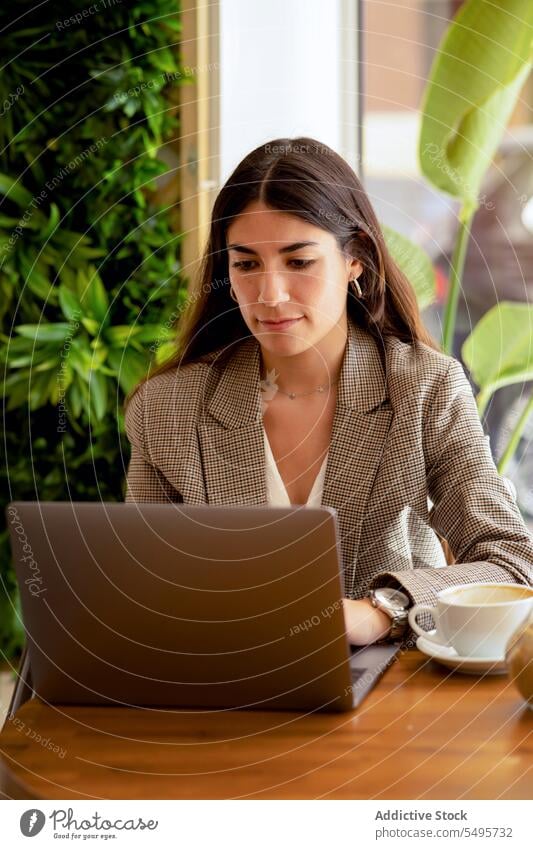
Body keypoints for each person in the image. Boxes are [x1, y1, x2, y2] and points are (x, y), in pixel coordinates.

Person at [124, 136, 533, 648]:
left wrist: (380, 610)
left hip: (393, 699)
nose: (270, 295)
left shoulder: (423, 388)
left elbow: (512, 562)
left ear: (355, 260)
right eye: (247, 264)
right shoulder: (167, 408)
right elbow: (144, 586)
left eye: (299, 262)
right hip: (225, 691)